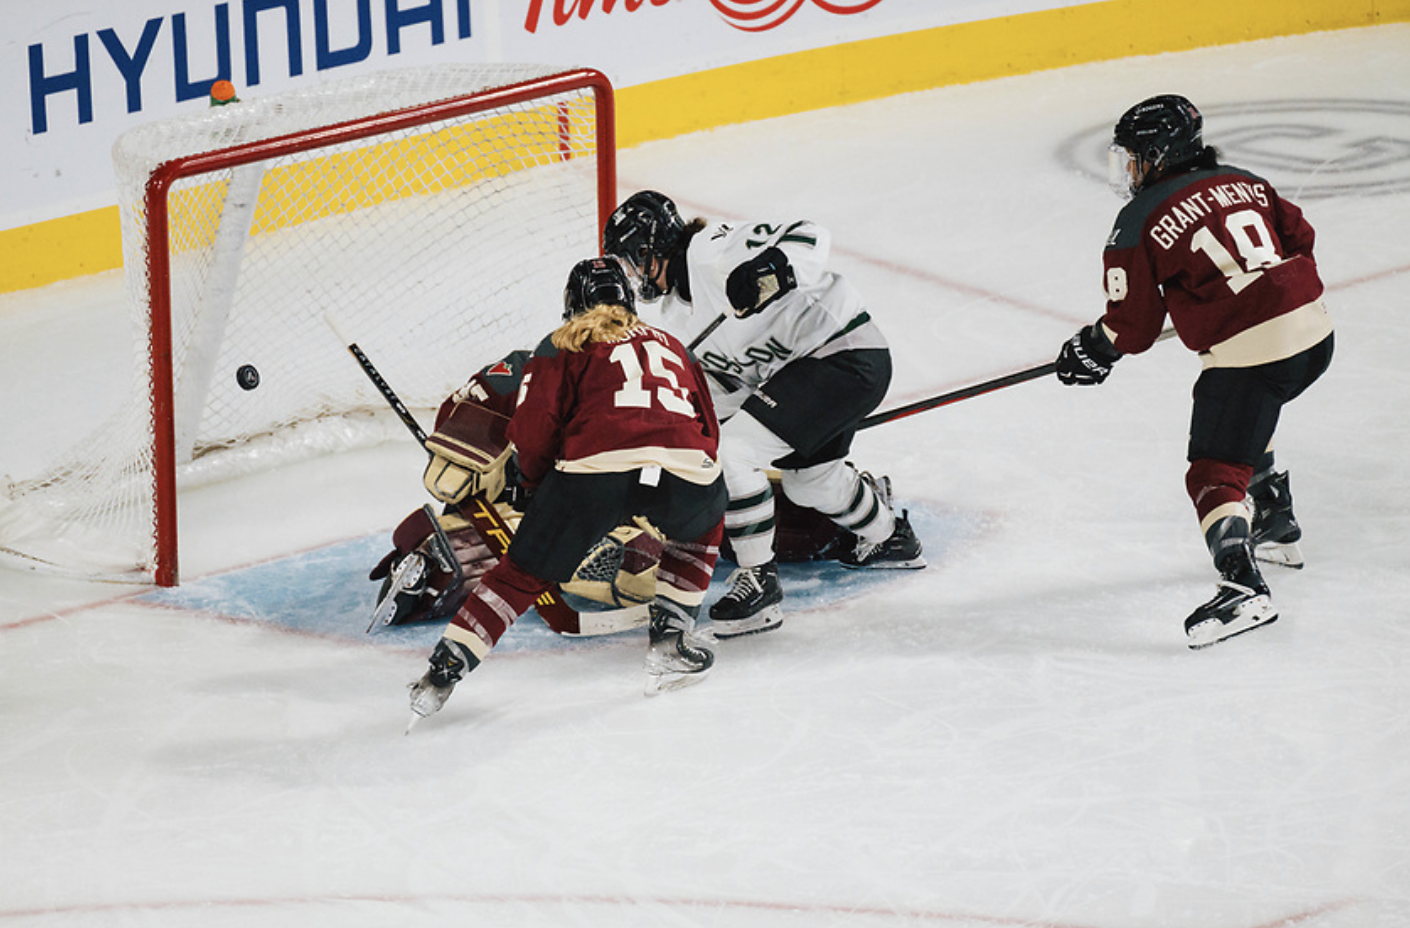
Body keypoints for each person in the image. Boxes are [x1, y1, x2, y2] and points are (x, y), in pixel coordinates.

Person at [1053, 94, 1333, 650]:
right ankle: (1275, 521)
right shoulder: (1244, 179)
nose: (1129, 168)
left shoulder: (1139, 217)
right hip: (1317, 335)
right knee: (1252, 405)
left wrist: (1092, 349)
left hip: (1257, 350)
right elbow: (1300, 239)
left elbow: (1131, 325)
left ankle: (1243, 586)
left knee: (1213, 469)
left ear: (1157, 155)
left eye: (1133, 156)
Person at [407, 256, 728, 727]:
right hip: (685, 471)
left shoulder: (561, 344)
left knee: (520, 575)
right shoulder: (673, 345)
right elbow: (709, 427)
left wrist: (539, 489)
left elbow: (534, 430)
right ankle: (670, 644)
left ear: (570, 304)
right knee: (704, 527)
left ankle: (444, 669)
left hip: (591, 475)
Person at [602, 191, 925, 640]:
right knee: (809, 481)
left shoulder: (712, 251)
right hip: (802, 374)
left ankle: (760, 584)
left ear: (653, 248)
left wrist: (769, 268)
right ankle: (891, 537)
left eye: (633, 260)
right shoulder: (679, 317)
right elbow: (721, 394)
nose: (634, 276)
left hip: (845, 352)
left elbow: (810, 236)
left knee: (732, 455)